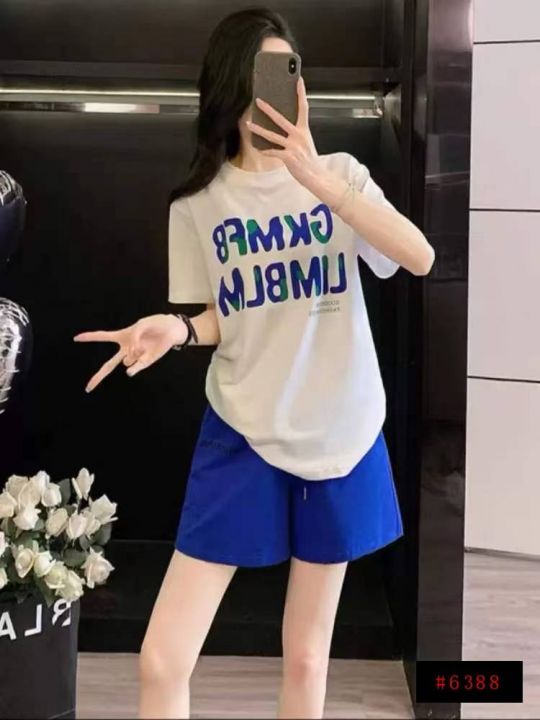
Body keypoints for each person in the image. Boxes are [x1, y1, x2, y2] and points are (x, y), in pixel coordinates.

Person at [74, 7, 435, 719]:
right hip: (242, 427)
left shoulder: (339, 175)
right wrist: (178, 330)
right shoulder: (198, 205)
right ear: (229, 88)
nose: (271, 93)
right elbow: (229, 315)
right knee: (161, 660)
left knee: (305, 658)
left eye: (284, 72)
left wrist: (322, 183)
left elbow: (418, 256)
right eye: (256, 75)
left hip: (338, 429)